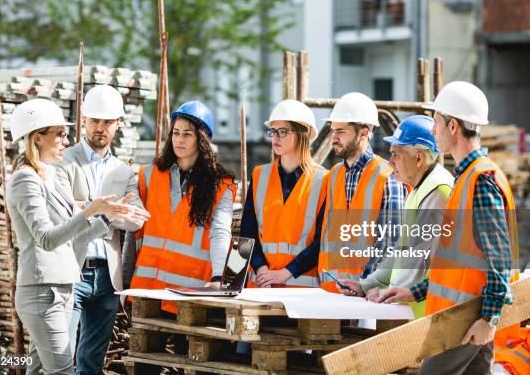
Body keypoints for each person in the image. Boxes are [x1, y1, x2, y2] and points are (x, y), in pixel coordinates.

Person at [377, 81, 519, 374]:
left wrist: (489, 319)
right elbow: (457, 262)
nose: (433, 130)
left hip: (465, 319)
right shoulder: (467, 179)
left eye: (437, 122)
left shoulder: (480, 181)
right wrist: (415, 291)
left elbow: (499, 258)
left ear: (453, 126)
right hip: (461, 316)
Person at [6, 99, 147, 375]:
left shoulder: (45, 177)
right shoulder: (25, 179)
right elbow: (46, 238)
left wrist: (105, 216)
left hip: (58, 288)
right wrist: (89, 210)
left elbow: (71, 232)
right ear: (38, 138)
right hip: (42, 291)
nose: (66, 140)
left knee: (38, 371)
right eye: (59, 133)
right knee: (63, 371)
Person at [55, 85, 148, 375]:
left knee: (92, 361)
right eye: (95, 120)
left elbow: (136, 220)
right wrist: (103, 209)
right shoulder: (63, 161)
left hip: (108, 277)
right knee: (61, 356)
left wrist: (94, 209)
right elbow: (57, 211)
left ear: (118, 123)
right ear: (83, 120)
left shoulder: (124, 171)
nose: (100, 127)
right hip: (72, 269)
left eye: (107, 121)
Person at [338, 115, 453, 319]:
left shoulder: (437, 191)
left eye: (396, 155)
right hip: (411, 311)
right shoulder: (419, 189)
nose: (390, 164)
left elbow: (419, 260)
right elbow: (401, 251)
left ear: (418, 158)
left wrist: (386, 293)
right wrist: (366, 285)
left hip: (424, 314)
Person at [130, 100, 237, 314]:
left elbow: (220, 233)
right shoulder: (148, 175)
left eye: (187, 134)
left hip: (190, 291)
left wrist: (217, 277)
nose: (179, 139)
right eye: (175, 133)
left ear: (202, 139)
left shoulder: (220, 184)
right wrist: (124, 279)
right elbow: (133, 231)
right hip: (147, 289)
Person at [318, 92, 407, 293]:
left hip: (367, 295)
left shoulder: (388, 176)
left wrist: (365, 284)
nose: (334, 138)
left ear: (364, 132)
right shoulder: (334, 175)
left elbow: (390, 242)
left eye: (341, 131)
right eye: (333, 131)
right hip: (330, 290)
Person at [241, 99, 328, 288]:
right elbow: (247, 232)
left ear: (302, 134)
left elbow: (322, 241)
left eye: (283, 131)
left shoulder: (325, 181)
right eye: (273, 131)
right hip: (260, 287)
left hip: (301, 291)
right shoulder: (259, 175)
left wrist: (285, 273)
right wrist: (261, 269)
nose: (275, 137)